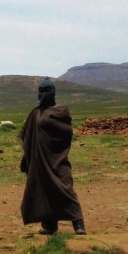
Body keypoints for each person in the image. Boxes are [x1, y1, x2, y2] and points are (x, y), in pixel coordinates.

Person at [18, 77, 86, 235]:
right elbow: (28, 136)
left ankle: (78, 222)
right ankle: (50, 224)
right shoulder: (35, 113)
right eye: (41, 91)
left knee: (64, 186)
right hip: (38, 160)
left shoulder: (60, 112)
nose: (43, 94)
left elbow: (66, 133)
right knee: (43, 190)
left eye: (47, 90)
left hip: (56, 158)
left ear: (54, 92)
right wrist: (26, 156)